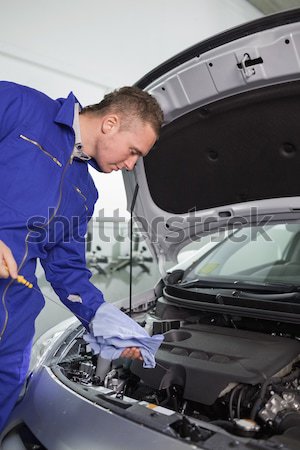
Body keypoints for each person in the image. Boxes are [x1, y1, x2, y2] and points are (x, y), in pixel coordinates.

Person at [0, 81, 164, 431]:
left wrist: (102, 317)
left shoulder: (84, 192)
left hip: (12, 330)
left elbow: (67, 269)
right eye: (134, 151)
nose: (132, 164)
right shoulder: (20, 106)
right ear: (110, 124)